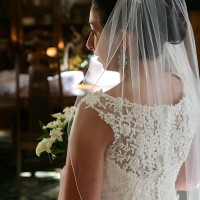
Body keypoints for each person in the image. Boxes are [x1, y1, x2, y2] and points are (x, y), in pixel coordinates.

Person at [58, 0, 200, 199]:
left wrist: (68, 175)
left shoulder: (97, 111)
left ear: (122, 40)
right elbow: (189, 179)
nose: (90, 43)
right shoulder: (186, 92)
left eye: (95, 30)